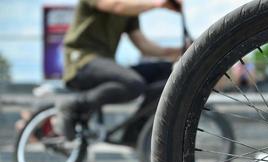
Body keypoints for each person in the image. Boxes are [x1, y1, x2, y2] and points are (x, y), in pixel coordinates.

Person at [55, 0, 183, 141]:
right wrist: (158, 4)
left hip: (107, 64)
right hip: (81, 61)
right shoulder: (122, 6)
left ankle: (135, 133)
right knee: (133, 83)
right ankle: (74, 105)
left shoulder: (130, 9)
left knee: (168, 73)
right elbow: (117, 5)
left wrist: (179, 51)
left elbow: (143, 45)